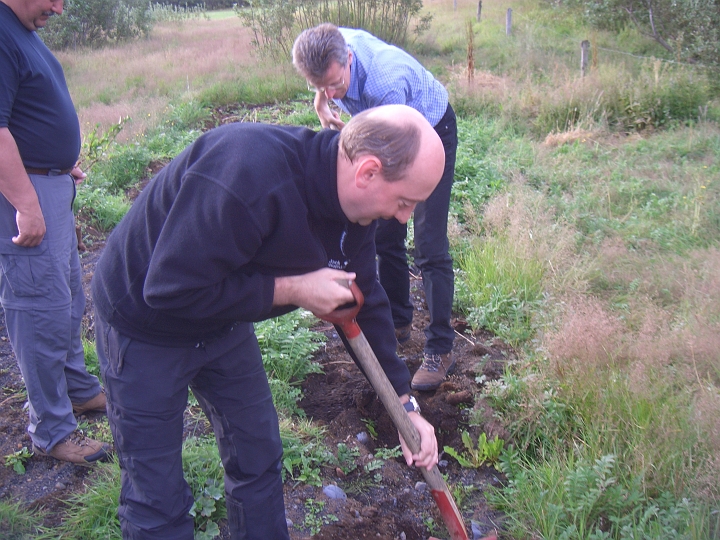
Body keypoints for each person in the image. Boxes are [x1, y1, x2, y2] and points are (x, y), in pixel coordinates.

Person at [92, 104, 443, 539]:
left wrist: (405, 406)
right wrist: (294, 289)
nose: (405, 217)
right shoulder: (249, 175)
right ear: (368, 172)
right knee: (157, 497)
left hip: (222, 318)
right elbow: (169, 290)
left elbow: (365, 301)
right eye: (405, 201)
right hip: (144, 325)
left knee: (257, 456)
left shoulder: (356, 210)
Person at [292, 23, 458, 391]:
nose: (332, 92)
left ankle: (440, 347)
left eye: (336, 84)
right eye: (322, 86)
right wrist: (323, 100)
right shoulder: (330, 46)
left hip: (430, 133)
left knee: (428, 244)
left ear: (349, 59)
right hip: (389, 134)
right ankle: (398, 322)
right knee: (386, 237)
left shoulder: (385, 84)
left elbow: (386, 152)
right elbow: (330, 89)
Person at [0, 0, 110, 464]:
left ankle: (77, 390)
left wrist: (61, 163)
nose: (60, 8)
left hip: (49, 182)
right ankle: (51, 430)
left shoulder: (20, 29)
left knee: (66, 296)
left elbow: (27, 113)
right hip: (25, 194)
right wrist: (27, 201)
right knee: (40, 309)